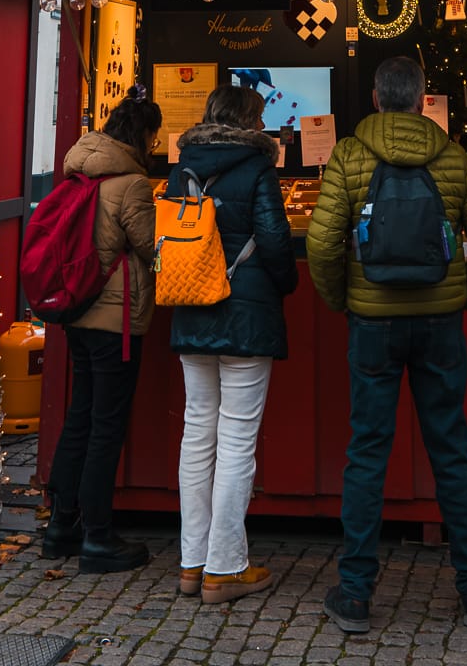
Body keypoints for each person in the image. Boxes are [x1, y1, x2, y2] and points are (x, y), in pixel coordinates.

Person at [305, 55, 467, 633]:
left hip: (372, 327)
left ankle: (356, 593)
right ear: (423, 101)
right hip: (440, 325)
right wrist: (460, 296)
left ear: (375, 98)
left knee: (368, 453)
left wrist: (344, 300)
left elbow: (322, 248)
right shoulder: (454, 158)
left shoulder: (348, 155)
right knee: (451, 449)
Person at [166, 84, 297, 603]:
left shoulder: (182, 167)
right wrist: (283, 285)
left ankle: (190, 563)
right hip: (245, 313)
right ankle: (224, 567)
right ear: (251, 121)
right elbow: (273, 239)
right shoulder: (258, 167)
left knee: (196, 434)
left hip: (192, 306)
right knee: (237, 439)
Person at [44, 89, 161, 573]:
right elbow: (152, 249)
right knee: (106, 427)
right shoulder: (131, 184)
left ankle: (60, 527)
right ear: (145, 135)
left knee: (80, 418)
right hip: (116, 322)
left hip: (79, 314)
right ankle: (97, 536)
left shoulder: (77, 171)